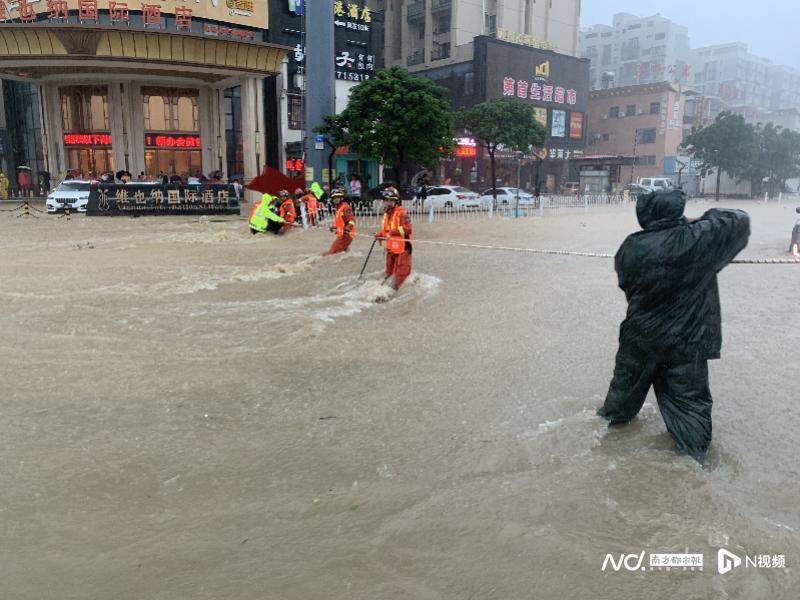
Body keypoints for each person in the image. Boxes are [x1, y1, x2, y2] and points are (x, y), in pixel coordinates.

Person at [596, 190, 750, 462]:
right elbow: (739, 220)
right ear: (676, 211)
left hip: (638, 341)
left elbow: (626, 285)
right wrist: (699, 219)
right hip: (685, 346)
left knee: (615, 413)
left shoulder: (630, 248)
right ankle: (692, 476)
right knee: (691, 426)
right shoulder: (697, 239)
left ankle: (604, 451)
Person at [375, 186, 413, 289]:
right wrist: (380, 235)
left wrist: (392, 232)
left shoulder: (402, 213)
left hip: (403, 249)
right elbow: (386, 231)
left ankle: (394, 294)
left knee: (400, 277)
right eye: (386, 200)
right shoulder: (387, 214)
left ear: (395, 201)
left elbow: (408, 229)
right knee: (389, 273)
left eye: (390, 201)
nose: (388, 203)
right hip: (391, 249)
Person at [326, 188, 356, 255]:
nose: (336, 199)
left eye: (337, 197)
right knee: (342, 252)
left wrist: (348, 228)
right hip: (343, 235)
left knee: (331, 253)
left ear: (341, 198)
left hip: (346, 235)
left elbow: (352, 220)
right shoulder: (339, 208)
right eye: (334, 198)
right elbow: (342, 223)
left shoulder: (345, 208)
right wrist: (335, 227)